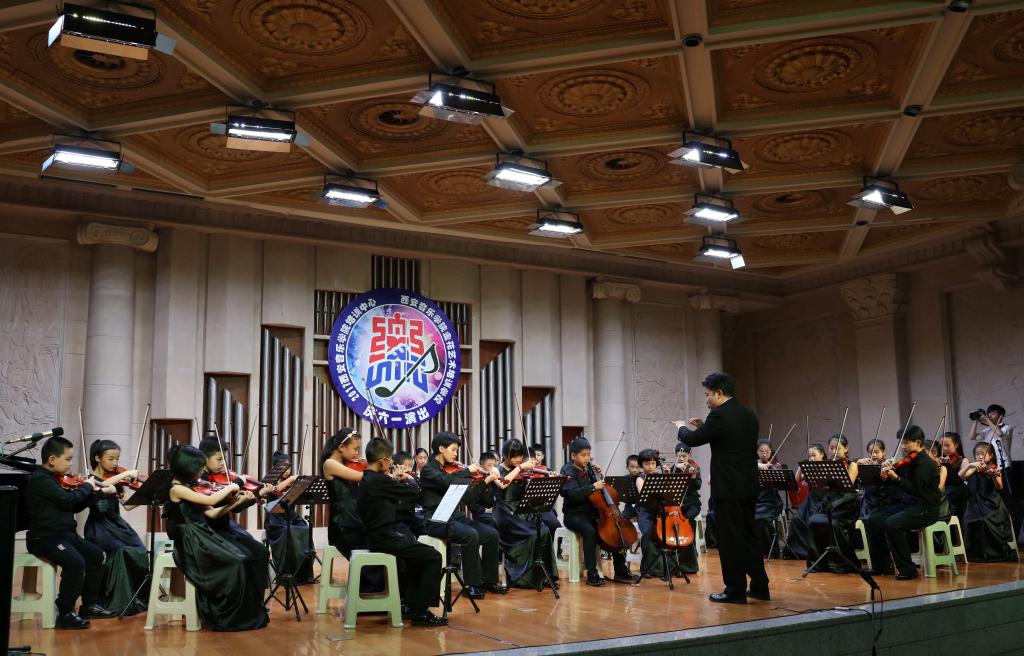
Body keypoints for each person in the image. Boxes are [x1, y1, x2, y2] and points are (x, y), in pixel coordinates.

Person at [678, 372, 769, 604]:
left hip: (728, 488)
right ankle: (760, 586)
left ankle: (735, 590)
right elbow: (729, 438)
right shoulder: (748, 413)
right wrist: (705, 426)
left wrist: (681, 428)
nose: (707, 399)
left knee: (730, 540)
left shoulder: (718, 415)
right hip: (748, 486)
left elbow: (692, 440)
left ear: (719, 393)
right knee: (748, 535)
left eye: (708, 395)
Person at [164, 444, 269, 631]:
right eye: (198, 469)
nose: (201, 472)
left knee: (245, 558)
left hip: (203, 534)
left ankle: (246, 612)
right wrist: (236, 484)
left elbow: (212, 513)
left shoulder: (190, 487)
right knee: (237, 562)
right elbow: (211, 500)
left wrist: (239, 501)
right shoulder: (176, 489)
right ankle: (225, 615)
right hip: (190, 541)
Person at [25, 435, 117, 629]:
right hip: (44, 537)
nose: (70, 464)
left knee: (98, 556)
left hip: (65, 535)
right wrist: (87, 486)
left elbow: (74, 506)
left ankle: (89, 604)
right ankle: (65, 612)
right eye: (67, 459)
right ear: (52, 459)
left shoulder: (56, 479)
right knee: (76, 563)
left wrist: (97, 492)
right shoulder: (41, 479)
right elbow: (67, 500)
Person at [356, 437, 447, 626]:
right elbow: (415, 493)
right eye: (389, 460)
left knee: (416, 556)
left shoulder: (368, 478)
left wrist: (395, 478)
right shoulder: (380, 480)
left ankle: (410, 605)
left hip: (375, 535)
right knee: (433, 556)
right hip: (384, 537)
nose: (391, 464)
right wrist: (411, 479)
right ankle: (420, 613)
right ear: (383, 461)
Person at [420, 431, 506, 598]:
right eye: (453, 449)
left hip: (454, 516)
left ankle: (489, 581)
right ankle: (471, 584)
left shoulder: (452, 471)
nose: (456, 454)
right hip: (436, 519)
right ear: (441, 448)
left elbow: (468, 498)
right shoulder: (428, 470)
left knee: (491, 534)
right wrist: (466, 471)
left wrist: (485, 481)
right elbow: (446, 481)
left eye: (456, 450)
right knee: (470, 535)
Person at [863, 425, 942, 580]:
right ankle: (881, 565)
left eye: (906, 442)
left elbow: (915, 490)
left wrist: (896, 478)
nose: (903, 446)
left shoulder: (925, 463)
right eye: (901, 442)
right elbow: (893, 483)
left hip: (926, 508)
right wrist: (885, 474)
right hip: (908, 505)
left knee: (892, 524)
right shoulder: (908, 461)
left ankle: (908, 569)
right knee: (873, 520)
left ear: (918, 442)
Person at [559, 437, 637, 587]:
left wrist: (598, 476)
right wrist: (593, 486)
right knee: (590, 531)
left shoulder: (589, 469)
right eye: (583, 455)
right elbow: (572, 494)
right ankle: (592, 573)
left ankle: (620, 569)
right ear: (573, 456)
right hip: (574, 514)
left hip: (592, 512)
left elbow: (598, 494)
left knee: (615, 530)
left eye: (589, 455)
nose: (587, 458)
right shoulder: (568, 471)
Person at [84, 439, 149, 616]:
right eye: (111, 458)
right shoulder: (89, 480)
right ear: (98, 458)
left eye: (117, 459)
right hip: (99, 527)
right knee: (121, 551)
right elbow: (102, 485)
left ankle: (133, 596)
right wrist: (125, 474)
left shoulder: (117, 480)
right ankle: (113, 599)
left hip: (117, 525)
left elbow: (127, 505)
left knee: (139, 550)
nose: (115, 463)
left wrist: (145, 495)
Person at [197, 436, 272, 576]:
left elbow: (235, 506)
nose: (223, 463)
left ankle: (254, 590)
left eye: (224, 459)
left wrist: (257, 494)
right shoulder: (200, 481)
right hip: (211, 530)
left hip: (225, 526)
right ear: (204, 458)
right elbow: (221, 506)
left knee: (261, 552)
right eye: (219, 459)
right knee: (251, 555)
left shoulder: (219, 478)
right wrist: (244, 490)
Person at [492, 439, 557, 589]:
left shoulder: (522, 470)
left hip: (522, 510)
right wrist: (520, 467)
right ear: (505, 455)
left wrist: (549, 478)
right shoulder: (496, 469)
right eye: (514, 456)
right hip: (505, 513)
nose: (518, 459)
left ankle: (544, 575)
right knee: (532, 534)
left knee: (544, 530)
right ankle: (524, 578)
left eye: (520, 456)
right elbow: (503, 483)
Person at [635, 448, 698, 579]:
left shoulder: (660, 476)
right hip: (646, 512)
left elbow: (671, 492)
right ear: (641, 465)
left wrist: (668, 477)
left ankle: (682, 566)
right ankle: (652, 568)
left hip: (662, 511)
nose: (650, 466)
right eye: (647, 464)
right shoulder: (640, 478)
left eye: (653, 463)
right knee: (648, 533)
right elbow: (645, 497)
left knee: (676, 532)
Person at [805, 435, 859, 574]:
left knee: (833, 524)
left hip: (846, 505)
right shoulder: (826, 464)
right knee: (813, 521)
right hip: (829, 503)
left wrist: (834, 473)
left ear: (846, 448)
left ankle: (840, 562)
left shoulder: (852, 465)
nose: (834, 451)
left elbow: (848, 485)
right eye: (831, 448)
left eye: (837, 448)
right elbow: (816, 485)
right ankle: (819, 563)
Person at [961, 442, 1017, 562]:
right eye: (977, 454)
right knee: (968, 519)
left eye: (983, 454)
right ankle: (975, 553)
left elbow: (999, 486)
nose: (980, 456)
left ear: (990, 455)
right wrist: (970, 465)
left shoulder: (994, 468)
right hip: (976, 504)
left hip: (992, 505)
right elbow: (961, 476)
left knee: (984, 520)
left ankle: (992, 553)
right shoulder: (975, 468)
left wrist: (992, 475)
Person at [263, 451, 313, 585]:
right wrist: (290, 480)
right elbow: (275, 489)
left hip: (291, 517)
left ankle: (302, 573)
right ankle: (286, 574)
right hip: (275, 520)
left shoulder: (292, 482)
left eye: (288, 467)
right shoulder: (269, 481)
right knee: (287, 532)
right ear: (275, 468)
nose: (287, 471)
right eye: (283, 468)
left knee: (305, 529)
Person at [785, 444, 827, 560]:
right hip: (810, 499)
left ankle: (815, 551)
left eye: (814, 455)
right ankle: (798, 552)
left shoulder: (827, 466)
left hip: (823, 500)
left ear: (822, 455)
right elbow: (796, 480)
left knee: (813, 521)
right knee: (796, 520)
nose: (811, 458)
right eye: (810, 456)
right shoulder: (809, 468)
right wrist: (801, 466)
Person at [754, 439, 785, 557]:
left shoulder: (774, 466)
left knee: (762, 518)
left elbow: (779, 485)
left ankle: (770, 550)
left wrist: (775, 471)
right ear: (756, 452)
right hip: (756, 501)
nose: (764, 454)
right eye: (761, 451)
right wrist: (758, 466)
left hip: (771, 503)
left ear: (771, 452)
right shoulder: (752, 465)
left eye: (767, 451)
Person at [938, 432, 969, 523]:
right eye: (942, 445)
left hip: (956, 497)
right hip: (942, 495)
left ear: (956, 445)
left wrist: (948, 466)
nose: (944, 448)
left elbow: (960, 480)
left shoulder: (963, 460)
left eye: (947, 445)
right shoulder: (939, 459)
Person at [467, 451, 499, 528]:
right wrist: (484, 510)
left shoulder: (493, 477)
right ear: (481, 466)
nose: (492, 468)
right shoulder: (476, 479)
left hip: (493, 511)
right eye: (489, 465)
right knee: (496, 522)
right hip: (481, 513)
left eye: (494, 465)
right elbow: (471, 502)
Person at [621, 454, 642, 520]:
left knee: (642, 519)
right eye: (632, 467)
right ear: (627, 467)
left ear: (641, 467)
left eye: (637, 467)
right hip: (629, 505)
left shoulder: (643, 477)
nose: (634, 470)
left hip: (641, 506)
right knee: (622, 519)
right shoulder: (625, 478)